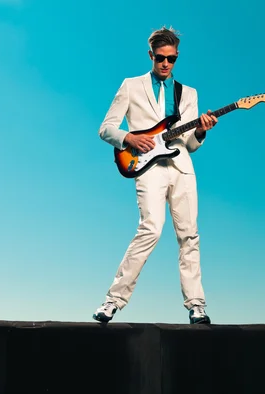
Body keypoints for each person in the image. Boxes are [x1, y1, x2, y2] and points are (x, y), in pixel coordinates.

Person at [93, 26, 218, 324]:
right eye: (160, 58)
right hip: (147, 167)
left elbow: (189, 143)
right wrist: (129, 139)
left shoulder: (189, 94)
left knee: (189, 236)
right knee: (151, 229)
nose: (165, 64)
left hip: (181, 168)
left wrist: (200, 130)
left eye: (171, 59)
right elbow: (106, 128)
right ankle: (113, 300)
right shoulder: (130, 86)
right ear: (151, 55)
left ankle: (196, 304)